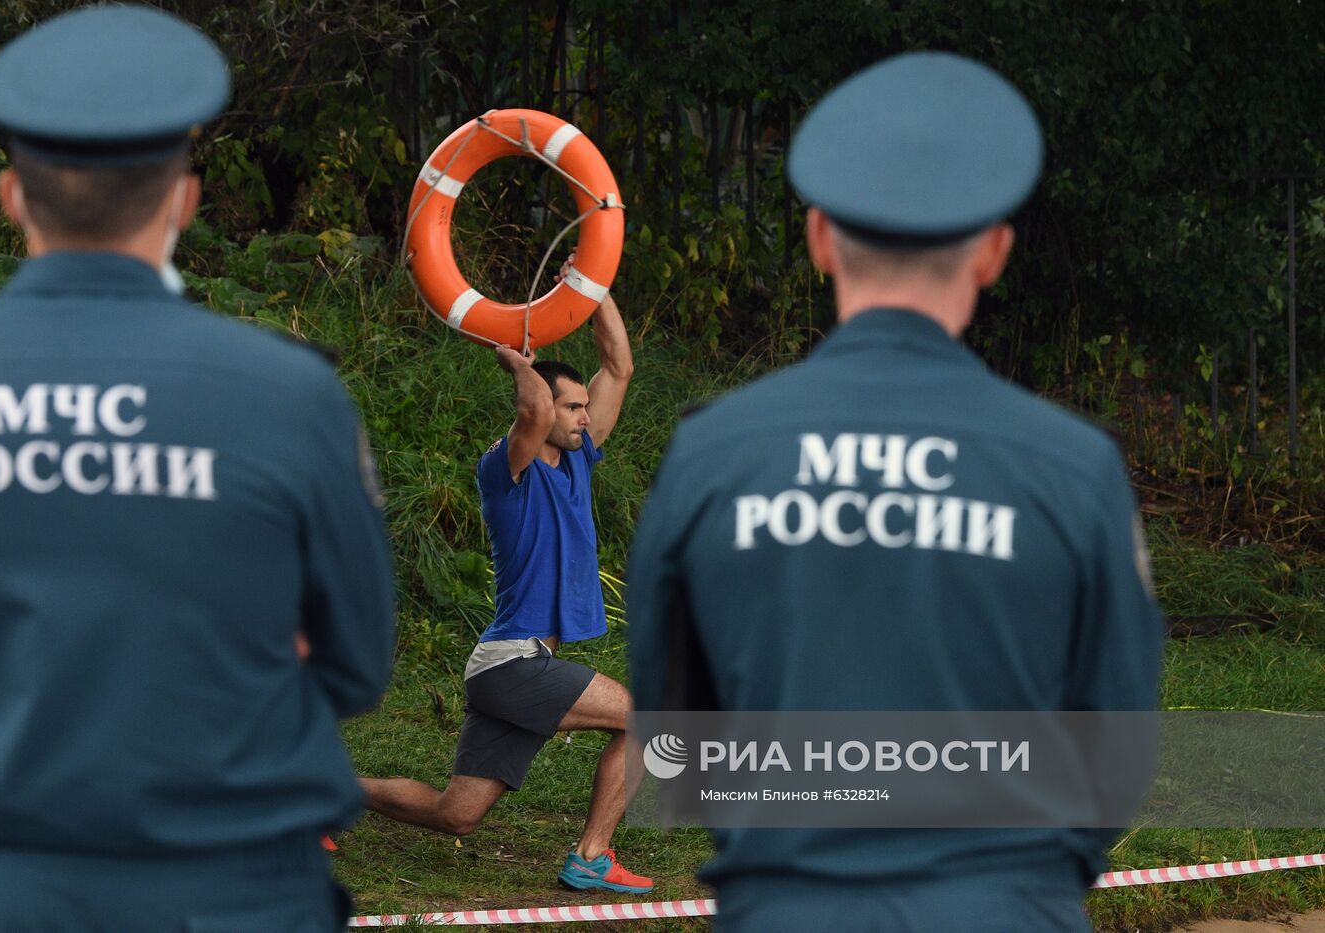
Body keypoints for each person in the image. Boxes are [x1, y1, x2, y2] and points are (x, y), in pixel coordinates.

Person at [626, 51, 1163, 932]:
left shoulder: (713, 453)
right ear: (993, 252)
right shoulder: (1072, 467)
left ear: (818, 237)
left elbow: (676, 736)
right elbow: (1119, 749)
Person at [0, 7, 396, 931]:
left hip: (9, 896)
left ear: (11, 195)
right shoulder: (288, 395)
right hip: (240, 892)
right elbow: (358, 661)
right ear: (184, 199)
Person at [360, 273, 652, 894]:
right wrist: (516, 361)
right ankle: (592, 856)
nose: (581, 417)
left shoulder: (578, 459)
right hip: (513, 661)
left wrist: (591, 283)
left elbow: (618, 366)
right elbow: (533, 409)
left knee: (455, 813)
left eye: (581, 407)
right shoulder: (506, 468)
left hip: (513, 665)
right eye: (571, 407)